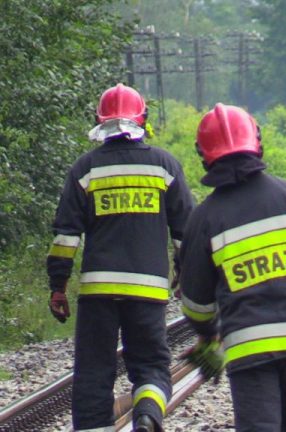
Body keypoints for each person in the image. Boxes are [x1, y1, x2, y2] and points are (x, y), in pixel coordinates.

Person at [178, 103, 286, 432]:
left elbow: (196, 303)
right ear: (256, 141)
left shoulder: (204, 218)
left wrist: (208, 335)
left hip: (249, 351)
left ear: (204, 154)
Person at [46, 83, 195, 432]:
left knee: (93, 373)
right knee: (152, 366)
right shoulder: (164, 166)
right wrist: (185, 275)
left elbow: (66, 237)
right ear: (142, 119)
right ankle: (147, 416)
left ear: (100, 121)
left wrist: (58, 285)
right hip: (147, 291)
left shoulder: (85, 169)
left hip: (98, 293)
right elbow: (186, 233)